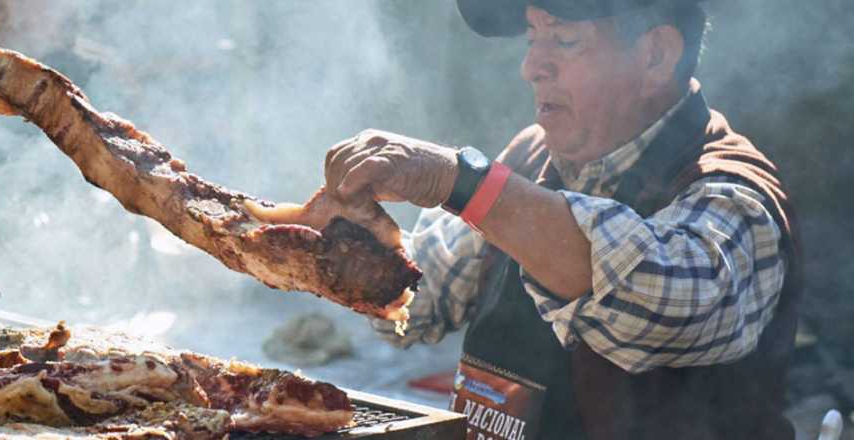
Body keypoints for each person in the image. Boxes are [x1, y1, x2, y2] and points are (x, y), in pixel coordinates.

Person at [322, 1, 802, 439]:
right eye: (533, 39)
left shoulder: (734, 201)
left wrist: (458, 181)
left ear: (655, 55)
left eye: (565, 41)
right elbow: (417, 303)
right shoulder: (531, 157)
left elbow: (651, 304)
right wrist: (334, 239)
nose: (531, 67)